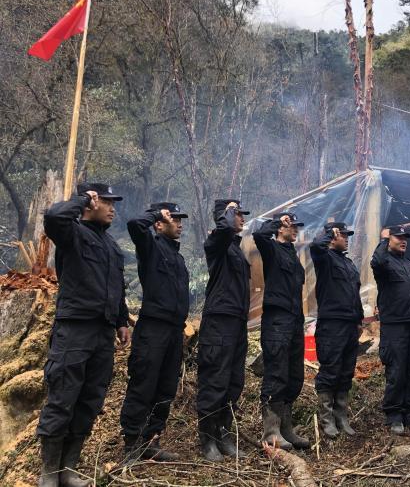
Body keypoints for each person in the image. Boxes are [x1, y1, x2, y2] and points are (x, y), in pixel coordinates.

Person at [37, 183, 131, 487]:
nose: (113, 207)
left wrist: (121, 321)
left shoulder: (111, 246)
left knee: (90, 400)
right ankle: (49, 472)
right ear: (91, 203)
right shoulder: (72, 233)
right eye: (107, 201)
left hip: (103, 334)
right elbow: (53, 217)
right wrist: (80, 200)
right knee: (63, 398)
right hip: (74, 330)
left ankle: (68, 468)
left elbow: (117, 288)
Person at [119, 202, 189, 463]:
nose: (180, 224)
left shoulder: (179, 257)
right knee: (143, 385)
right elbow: (135, 224)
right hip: (152, 329)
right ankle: (132, 444)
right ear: (159, 224)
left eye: (180, 220)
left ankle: (152, 440)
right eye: (174, 219)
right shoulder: (150, 247)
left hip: (174, 331)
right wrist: (157, 213)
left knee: (166, 387)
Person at [197, 199, 251, 461]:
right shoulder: (216, 244)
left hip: (237, 322)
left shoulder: (236, 249)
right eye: (238, 214)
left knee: (233, 381)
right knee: (215, 380)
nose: (242, 219)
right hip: (219, 321)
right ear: (226, 217)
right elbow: (221, 232)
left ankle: (223, 434)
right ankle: (207, 440)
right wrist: (227, 214)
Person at [253, 212, 310, 449]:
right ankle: (271, 431)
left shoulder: (292, 254)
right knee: (276, 371)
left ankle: (286, 427)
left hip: (295, 319)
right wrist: (278, 221)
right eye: (292, 225)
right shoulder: (271, 248)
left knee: (294, 374)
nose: (296, 229)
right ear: (281, 228)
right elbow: (258, 233)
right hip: (277, 319)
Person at [371, 225, 410, 435]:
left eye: (405, 238)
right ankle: (394, 416)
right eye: (398, 237)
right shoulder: (384, 264)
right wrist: (383, 240)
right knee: (396, 371)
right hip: (394, 326)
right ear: (388, 240)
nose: (403, 241)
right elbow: (376, 261)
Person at [310, 222, 363, 438]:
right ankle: (327, 418)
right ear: (333, 237)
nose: (347, 238)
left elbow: (354, 294)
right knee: (330, 370)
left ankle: (342, 416)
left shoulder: (348, 264)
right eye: (343, 235)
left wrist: (359, 320)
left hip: (350, 324)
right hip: (332, 324)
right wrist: (327, 235)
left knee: (346, 371)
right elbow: (315, 247)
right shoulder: (325, 259)